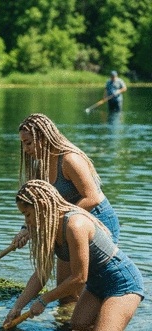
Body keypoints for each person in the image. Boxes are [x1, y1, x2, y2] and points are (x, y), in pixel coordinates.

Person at [4, 180, 144, 331]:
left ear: (42, 206)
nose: (27, 222)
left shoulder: (74, 225)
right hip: (95, 285)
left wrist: (44, 300)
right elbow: (42, 274)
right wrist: (17, 307)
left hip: (121, 282)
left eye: (27, 215)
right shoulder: (47, 228)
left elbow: (79, 278)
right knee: (78, 328)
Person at [14, 113, 120, 302]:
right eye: (23, 143)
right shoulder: (42, 167)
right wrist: (26, 229)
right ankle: (67, 325)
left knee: (84, 282)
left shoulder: (70, 159)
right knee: (65, 293)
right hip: (65, 224)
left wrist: (55, 221)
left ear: (44, 137)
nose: (25, 149)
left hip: (97, 220)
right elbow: (36, 203)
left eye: (28, 143)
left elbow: (93, 197)